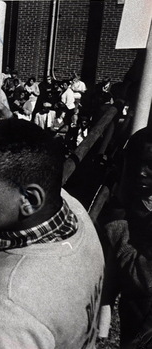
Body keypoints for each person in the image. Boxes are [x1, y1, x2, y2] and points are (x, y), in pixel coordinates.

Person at [0, 118, 103, 347]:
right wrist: (13, 152)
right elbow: (34, 172)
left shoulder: (9, 311)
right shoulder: (75, 212)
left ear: (29, 199)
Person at [101, 125, 152, 347]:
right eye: (136, 163)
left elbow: (146, 278)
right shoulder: (136, 200)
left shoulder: (124, 212)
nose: (141, 172)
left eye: (151, 166)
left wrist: (118, 227)